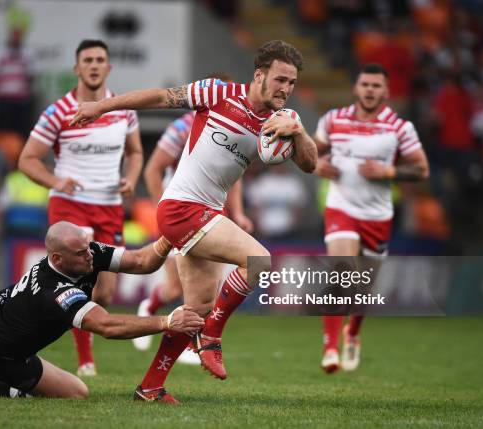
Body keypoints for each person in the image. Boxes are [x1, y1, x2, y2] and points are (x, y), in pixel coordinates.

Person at [71, 40, 318, 403]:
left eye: (292, 83)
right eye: (280, 79)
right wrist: (102, 106)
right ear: (259, 75)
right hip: (180, 208)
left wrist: (299, 132)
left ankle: (150, 387)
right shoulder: (218, 92)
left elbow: (310, 164)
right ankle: (213, 335)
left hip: (207, 215)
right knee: (259, 260)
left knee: (195, 310)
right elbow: (158, 97)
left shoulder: (279, 121)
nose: (285, 88)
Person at [0, 221, 203, 399]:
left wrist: (169, 237)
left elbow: (141, 261)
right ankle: (0, 384)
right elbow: (106, 326)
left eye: (88, 248)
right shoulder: (57, 293)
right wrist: (166, 320)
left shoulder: (85, 251)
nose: (90, 258)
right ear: (57, 259)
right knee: (78, 393)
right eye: (81, 254)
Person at [18, 39, 143, 377]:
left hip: (109, 207)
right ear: (77, 68)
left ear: (108, 67)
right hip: (69, 206)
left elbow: (135, 152)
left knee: (105, 290)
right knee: (75, 280)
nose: (93, 65)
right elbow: (27, 159)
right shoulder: (58, 111)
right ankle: (85, 360)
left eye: (100, 59)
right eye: (87, 59)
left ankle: (71, 339)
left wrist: (130, 178)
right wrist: (55, 182)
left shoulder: (123, 109)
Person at [313, 63, 429, 373]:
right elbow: (309, 151)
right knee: (342, 272)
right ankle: (329, 347)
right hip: (341, 207)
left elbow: (421, 169)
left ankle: (353, 332)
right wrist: (317, 165)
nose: (370, 90)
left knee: (363, 289)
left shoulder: (399, 128)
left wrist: (389, 171)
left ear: (386, 92)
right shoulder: (333, 120)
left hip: (377, 214)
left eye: (376, 86)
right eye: (365, 84)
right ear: (356, 88)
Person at [133, 73, 254, 364]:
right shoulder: (182, 127)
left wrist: (238, 213)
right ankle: (155, 309)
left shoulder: (240, 125)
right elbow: (153, 169)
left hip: (209, 212)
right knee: (183, 290)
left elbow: (232, 177)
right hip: (181, 210)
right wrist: (158, 211)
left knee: (201, 298)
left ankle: (169, 365)